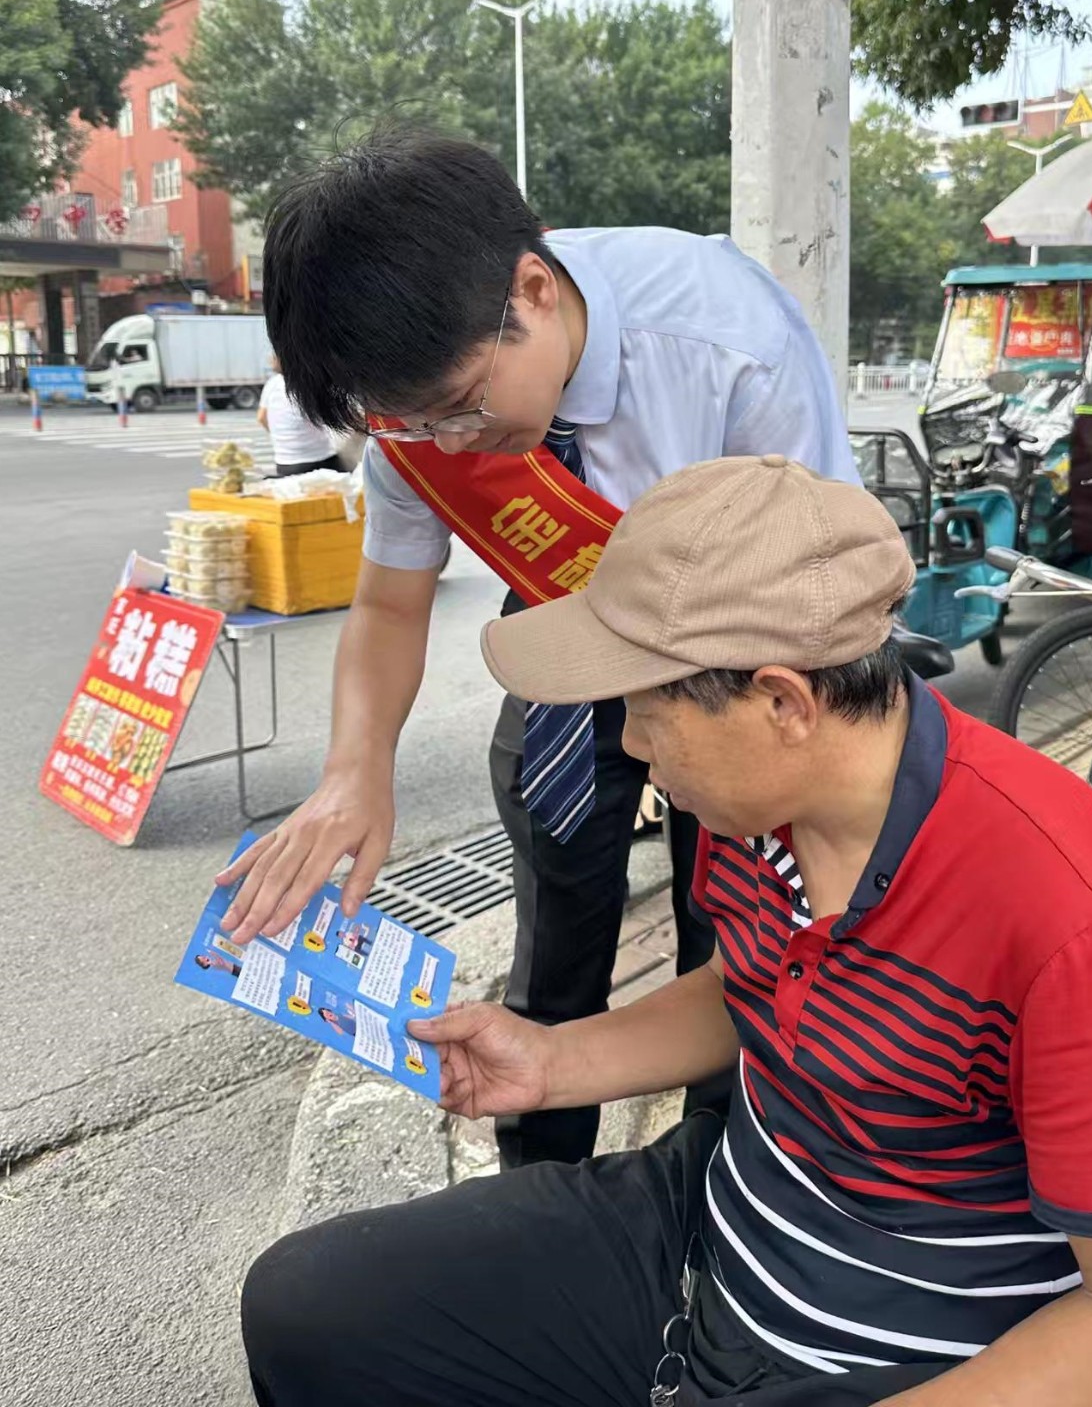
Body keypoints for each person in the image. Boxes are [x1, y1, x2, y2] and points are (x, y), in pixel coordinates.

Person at [242, 456, 1092, 1407]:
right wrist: (550, 1062)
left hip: (893, 1353)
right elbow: (748, 987)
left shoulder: (1073, 923)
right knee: (310, 1307)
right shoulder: (755, 807)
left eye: (644, 711)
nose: (630, 746)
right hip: (713, 1221)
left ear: (782, 701)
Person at [218, 126, 858, 1169]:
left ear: (534, 290)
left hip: (736, 672)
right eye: (415, 425)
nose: (452, 443)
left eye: (464, 406)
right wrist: (354, 772)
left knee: (735, 941)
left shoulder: (727, 342)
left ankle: (715, 1169)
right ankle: (541, 1180)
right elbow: (389, 606)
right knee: (556, 950)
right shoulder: (420, 410)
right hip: (564, 668)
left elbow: (823, 583)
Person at [257, 357, 347, 477]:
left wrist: (283, 438)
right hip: (321, 460)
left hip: (285, 464)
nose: (269, 359)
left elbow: (261, 418)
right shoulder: (312, 383)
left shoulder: (271, 384)